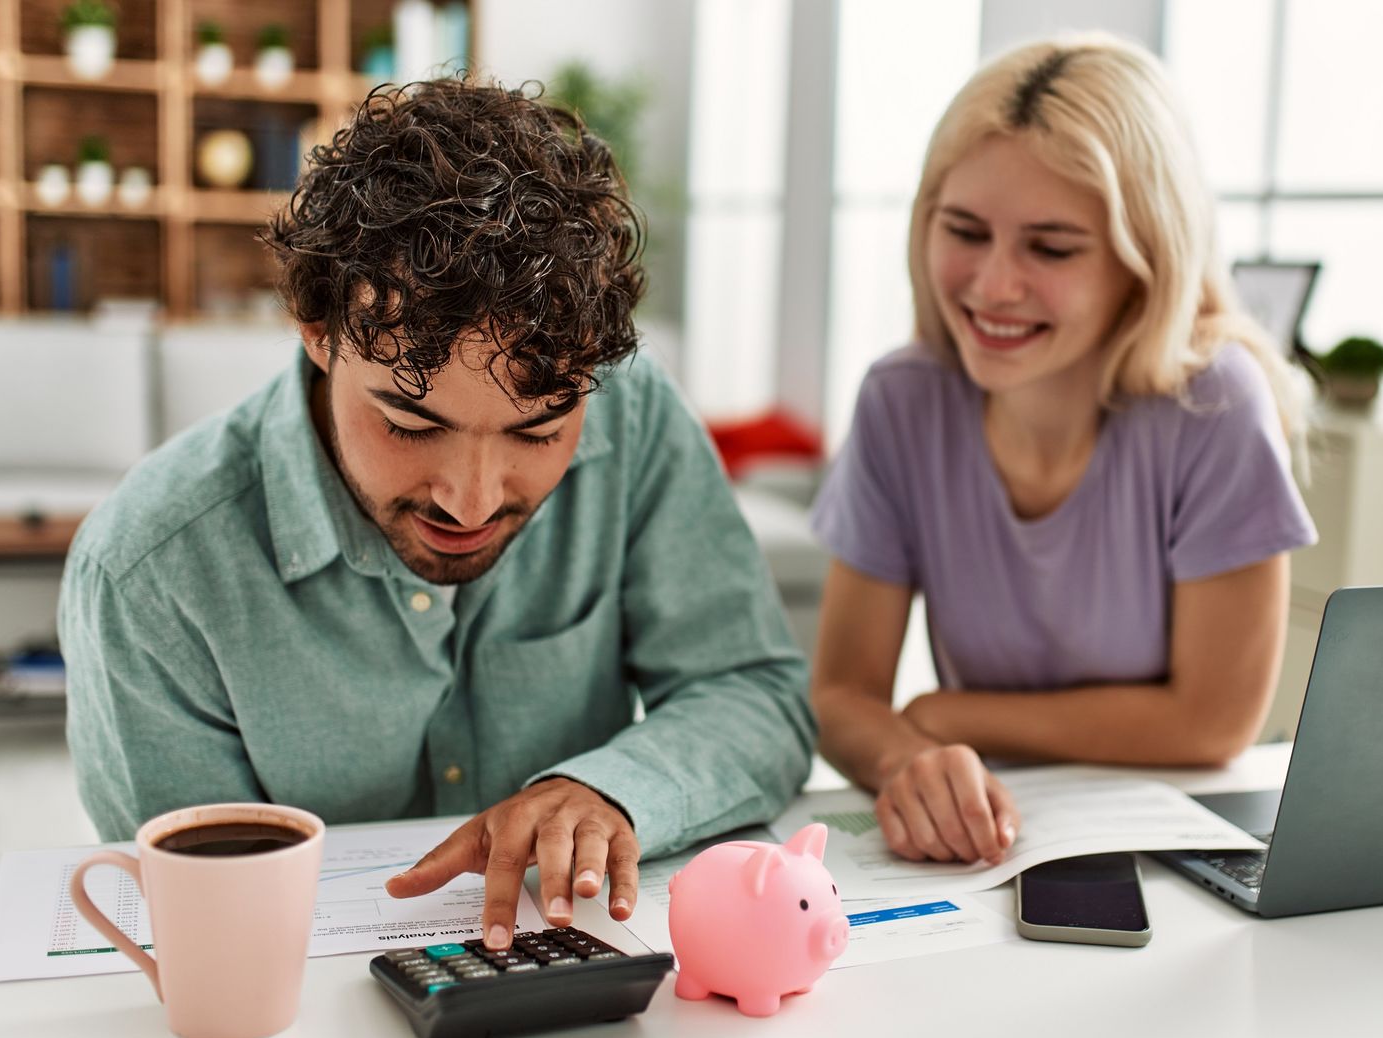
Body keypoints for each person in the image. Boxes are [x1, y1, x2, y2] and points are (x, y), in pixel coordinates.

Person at [59, 79, 816, 950]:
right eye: (412, 423)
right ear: (316, 326)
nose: (473, 499)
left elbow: (756, 693)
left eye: (538, 430)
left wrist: (611, 790)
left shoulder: (637, 425)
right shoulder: (147, 574)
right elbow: (202, 926)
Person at [809, 34, 1317, 867]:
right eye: (965, 230)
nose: (994, 285)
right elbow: (842, 695)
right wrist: (908, 757)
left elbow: (1213, 722)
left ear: (1143, 260)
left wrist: (950, 716)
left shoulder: (1216, 402)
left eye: (1051, 248)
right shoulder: (901, 400)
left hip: (1172, 833)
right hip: (982, 846)